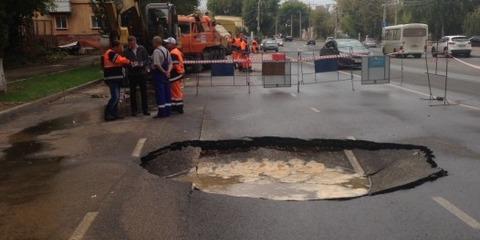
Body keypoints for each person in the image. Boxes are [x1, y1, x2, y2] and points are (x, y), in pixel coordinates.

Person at [102, 40, 130, 121]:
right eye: (120, 46)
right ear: (116, 47)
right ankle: (108, 114)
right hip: (112, 78)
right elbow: (119, 60)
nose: (121, 48)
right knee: (115, 97)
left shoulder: (113, 53)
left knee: (117, 97)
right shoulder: (111, 53)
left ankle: (114, 114)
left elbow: (120, 60)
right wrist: (128, 61)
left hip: (115, 78)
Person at [125, 36, 150, 116]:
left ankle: (145, 110)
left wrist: (142, 64)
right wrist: (131, 64)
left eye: (132, 43)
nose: (131, 45)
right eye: (129, 43)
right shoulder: (127, 51)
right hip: (132, 74)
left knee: (144, 92)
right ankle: (134, 111)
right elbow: (125, 62)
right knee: (132, 93)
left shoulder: (142, 49)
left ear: (135, 41)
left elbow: (147, 59)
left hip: (142, 73)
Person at [151, 36, 173, 118]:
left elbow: (157, 64)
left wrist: (164, 72)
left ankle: (162, 113)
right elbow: (171, 63)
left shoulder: (156, 51)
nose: (152, 44)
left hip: (159, 75)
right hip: (166, 75)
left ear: (156, 42)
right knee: (167, 92)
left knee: (160, 94)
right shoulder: (166, 50)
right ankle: (168, 111)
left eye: (153, 42)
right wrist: (168, 72)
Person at [164, 37, 185, 114]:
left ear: (172, 44)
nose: (166, 45)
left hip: (176, 75)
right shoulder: (176, 51)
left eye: (168, 43)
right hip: (178, 74)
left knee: (176, 92)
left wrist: (168, 71)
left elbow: (174, 64)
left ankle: (178, 107)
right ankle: (176, 106)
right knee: (176, 92)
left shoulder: (173, 53)